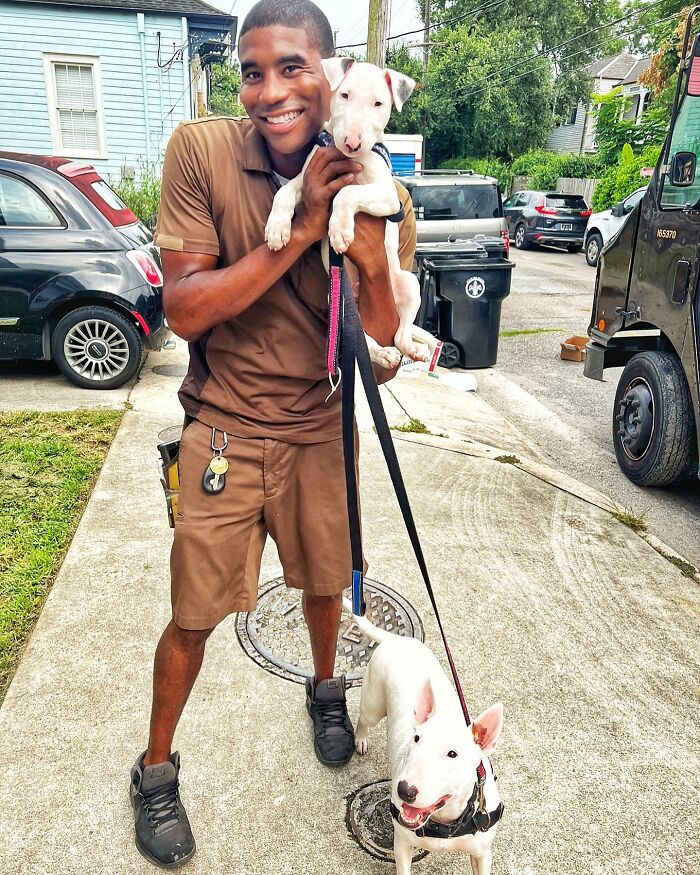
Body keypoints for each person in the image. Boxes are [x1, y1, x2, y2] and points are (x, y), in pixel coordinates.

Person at [129, 0, 417, 868]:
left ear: (335, 78)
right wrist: (297, 236)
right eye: (252, 72)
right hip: (222, 428)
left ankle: (326, 690)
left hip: (321, 426)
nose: (270, 90)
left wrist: (366, 249)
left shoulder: (383, 186)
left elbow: (386, 350)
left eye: (293, 67)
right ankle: (153, 768)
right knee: (193, 613)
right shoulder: (201, 151)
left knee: (327, 583)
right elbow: (183, 309)